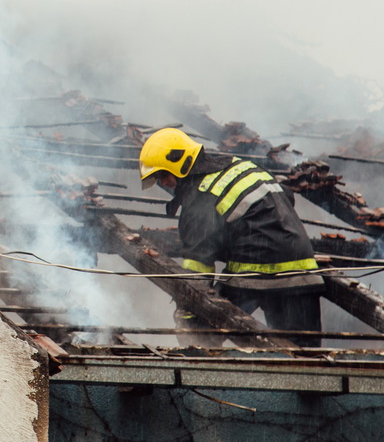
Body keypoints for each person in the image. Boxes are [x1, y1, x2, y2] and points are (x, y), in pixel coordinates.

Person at [139, 127, 324, 345]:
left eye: (163, 175)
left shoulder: (201, 196)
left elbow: (197, 266)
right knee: (304, 358)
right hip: (303, 272)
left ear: (181, 164)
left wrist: (187, 315)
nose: (164, 183)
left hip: (255, 272)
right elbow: (286, 198)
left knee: (203, 332)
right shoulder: (239, 166)